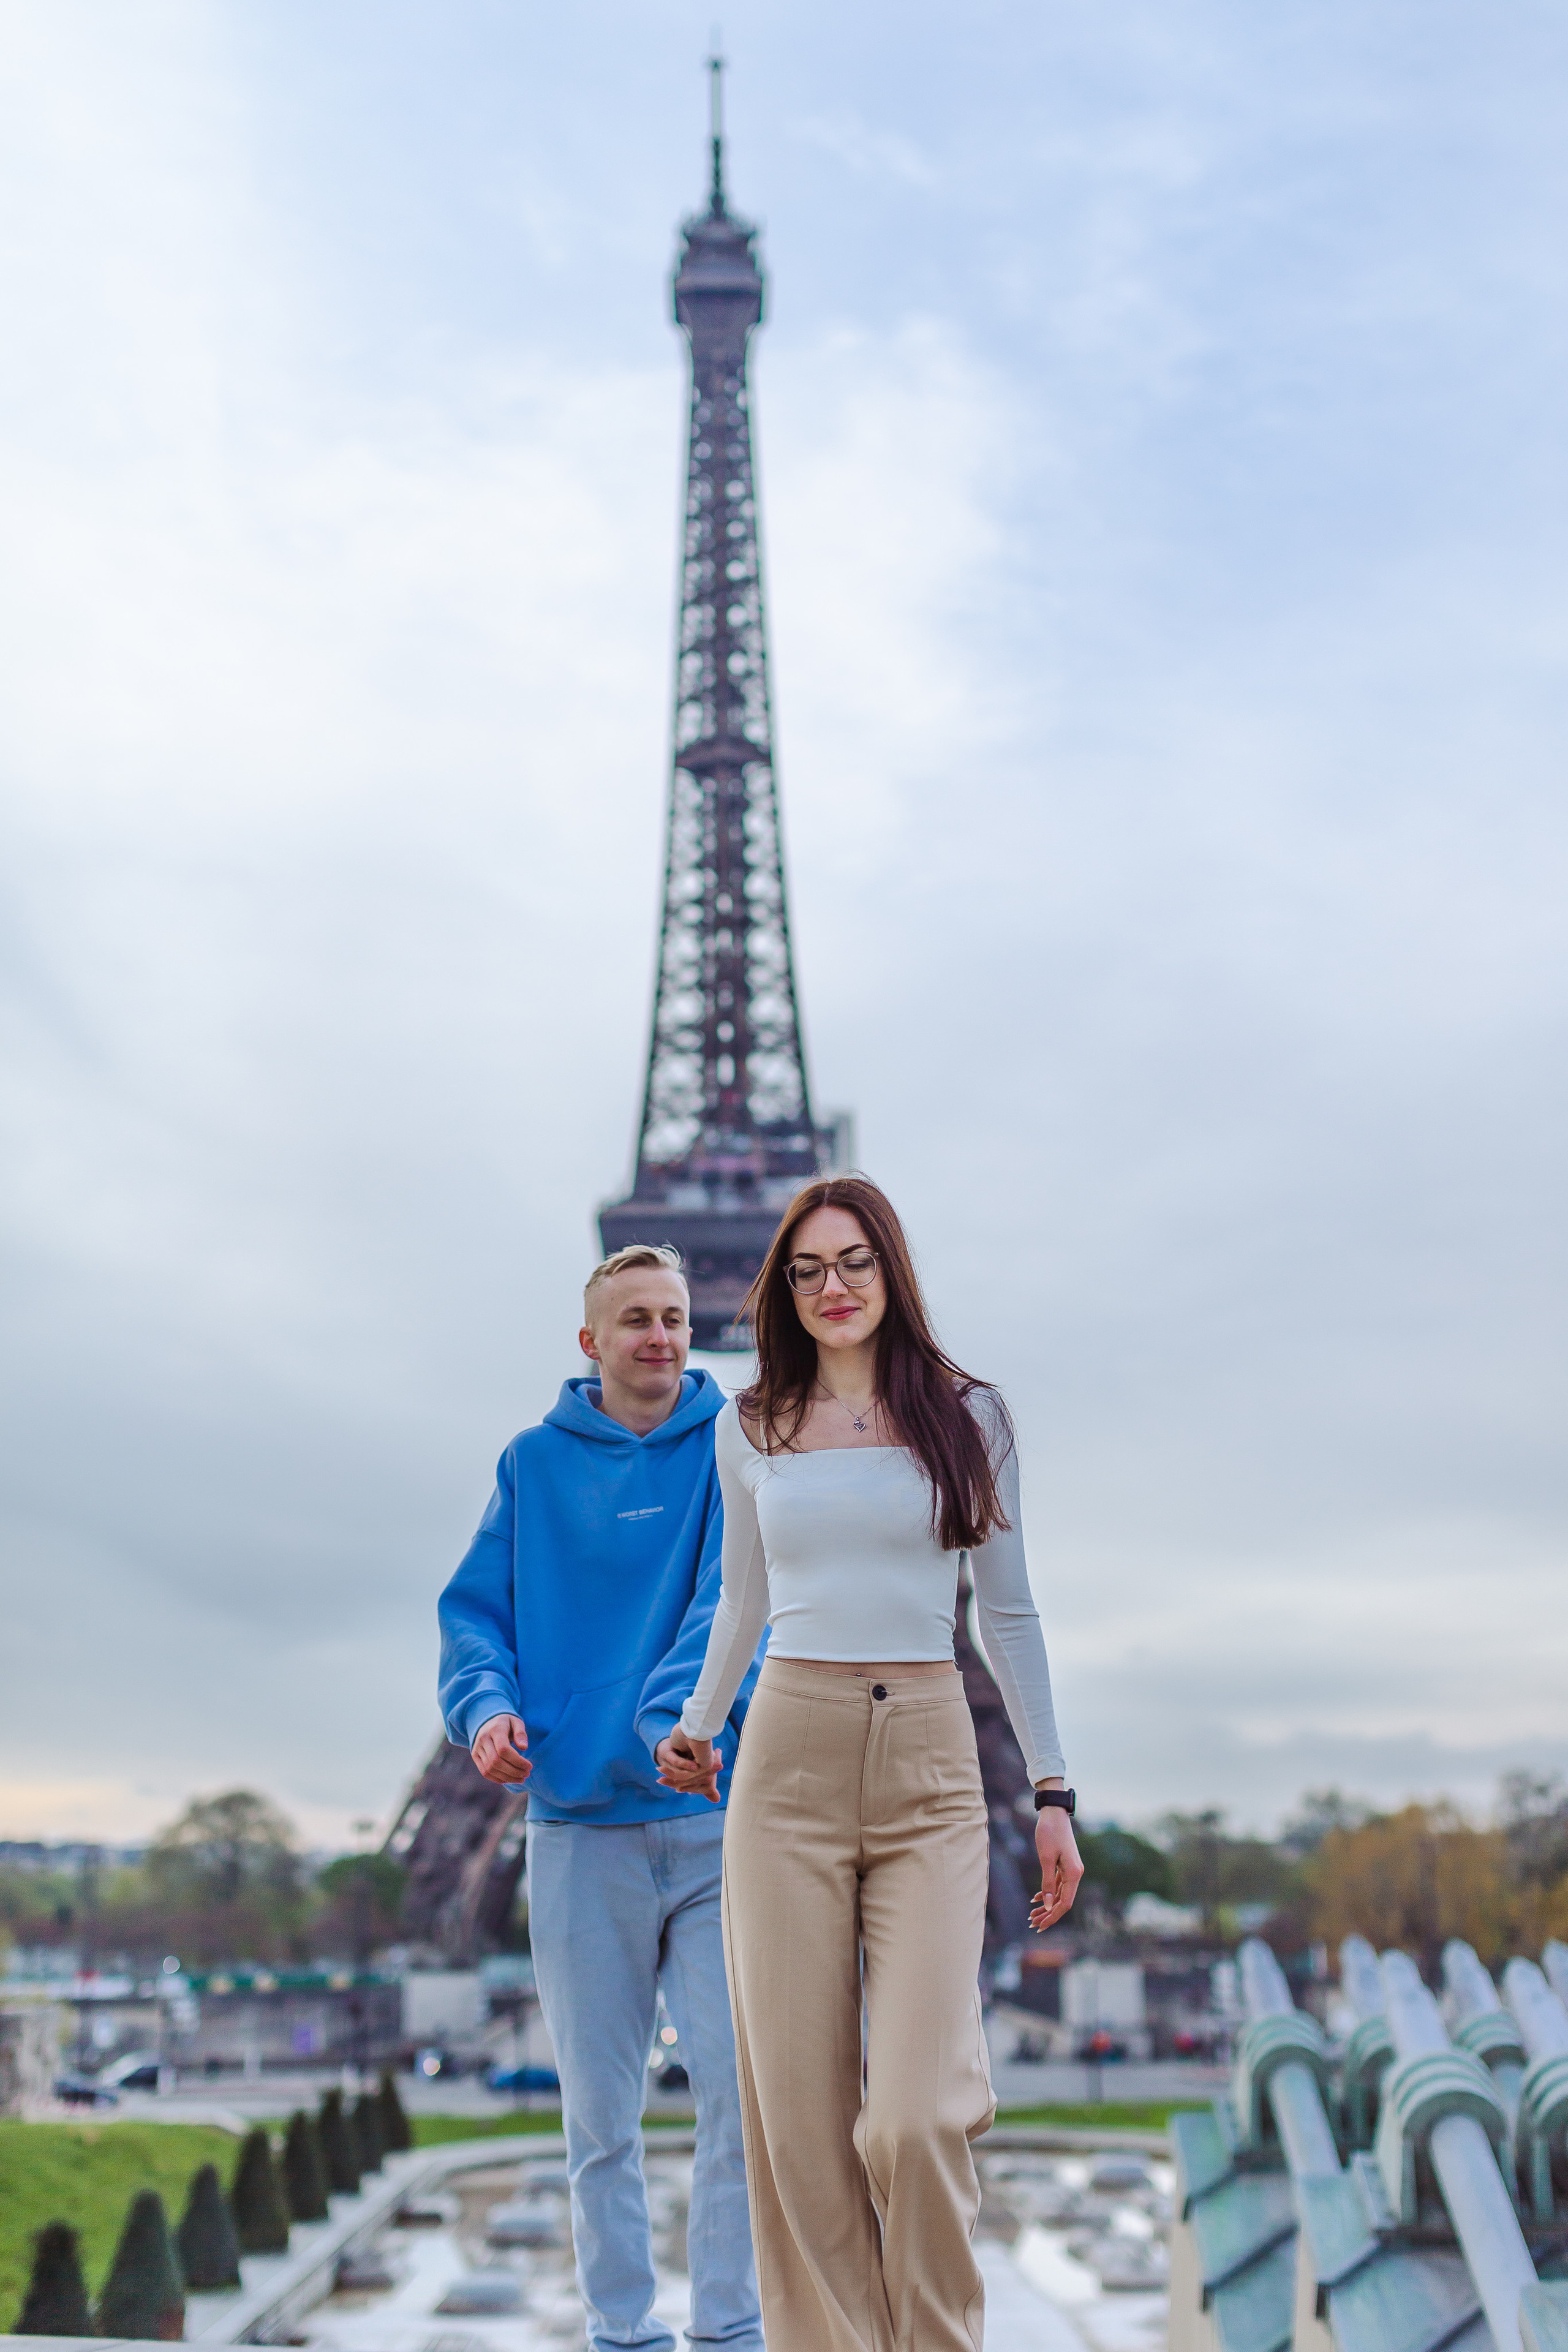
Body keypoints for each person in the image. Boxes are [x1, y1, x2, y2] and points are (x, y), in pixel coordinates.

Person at [657, 1175, 1082, 2352]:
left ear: (892, 1271)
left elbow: (1011, 1615)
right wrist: (698, 1722)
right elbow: (742, 1599)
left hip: (931, 1764)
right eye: (807, 1270)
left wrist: (1053, 1790)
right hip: (784, 1755)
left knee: (909, 2116)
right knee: (794, 2127)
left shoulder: (971, 1415)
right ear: (783, 1290)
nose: (832, 1287)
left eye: (854, 1263)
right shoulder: (746, 1429)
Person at [437, 1243, 765, 2352]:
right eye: (635, 1320)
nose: (661, 1338)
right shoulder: (532, 1465)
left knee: (738, 2097)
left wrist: (681, 1723)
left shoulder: (737, 1447)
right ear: (592, 1342)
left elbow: (736, 1602)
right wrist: (485, 1709)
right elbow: (476, 1612)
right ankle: (623, 2333)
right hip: (580, 1833)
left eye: (675, 1317)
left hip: (712, 1819)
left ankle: (730, 2330)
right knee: (599, 2120)